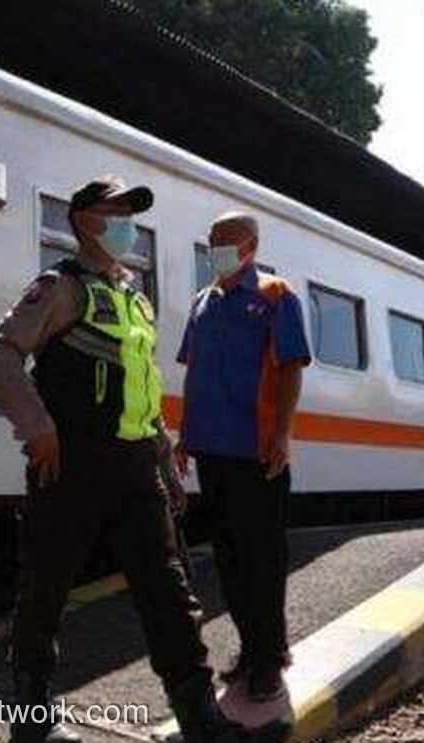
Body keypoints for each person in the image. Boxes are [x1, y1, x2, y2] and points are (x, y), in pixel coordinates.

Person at [0, 176, 237, 743]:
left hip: (135, 467)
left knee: (169, 592)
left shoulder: (134, 299)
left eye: (130, 212)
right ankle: (32, 724)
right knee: (46, 587)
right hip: (71, 464)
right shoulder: (59, 288)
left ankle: (201, 717)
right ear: (83, 220)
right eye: (114, 211)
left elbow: (143, 391)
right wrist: (38, 427)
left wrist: (166, 465)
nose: (126, 222)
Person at [174, 212, 311, 702]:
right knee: (229, 560)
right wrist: (185, 434)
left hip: (258, 452)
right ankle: (251, 651)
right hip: (212, 451)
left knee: (264, 560)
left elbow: (292, 368)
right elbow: (193, 372)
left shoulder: (277, 296)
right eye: (211, 240)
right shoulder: (202, 302)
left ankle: (271, 658)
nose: (216, 247)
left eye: (225, 240)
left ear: (250, 245)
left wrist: (281, 433)